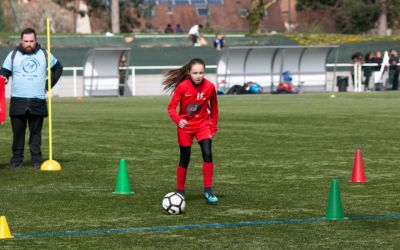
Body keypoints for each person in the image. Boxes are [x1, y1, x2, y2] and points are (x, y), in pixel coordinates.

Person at [0, 28, 63, 168]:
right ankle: (17, 161)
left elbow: (58, 68)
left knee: (35, 133)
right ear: (21, 41)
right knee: (18, 133)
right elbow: (4, 72)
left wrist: (49, 84)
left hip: (37, 101)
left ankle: (36, 160)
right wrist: (3, 78)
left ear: (35, 41)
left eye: (31, 41)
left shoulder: (44, 54)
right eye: (26, 41)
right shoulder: (13, 55)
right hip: (18, 100)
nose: (29, 44)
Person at [162, 58, 219, 205]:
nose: (198, 76)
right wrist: (178, 120)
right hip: (185, 127)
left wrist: (213, 127)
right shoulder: (182, 87)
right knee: (185, 158)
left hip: (203, 125)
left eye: (201, 73)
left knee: (207, 153)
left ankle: (208, 190)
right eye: (195, 73)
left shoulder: (210, 87)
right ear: (189, 73)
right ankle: (180, 191)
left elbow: (214, 108)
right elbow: (171, 108)